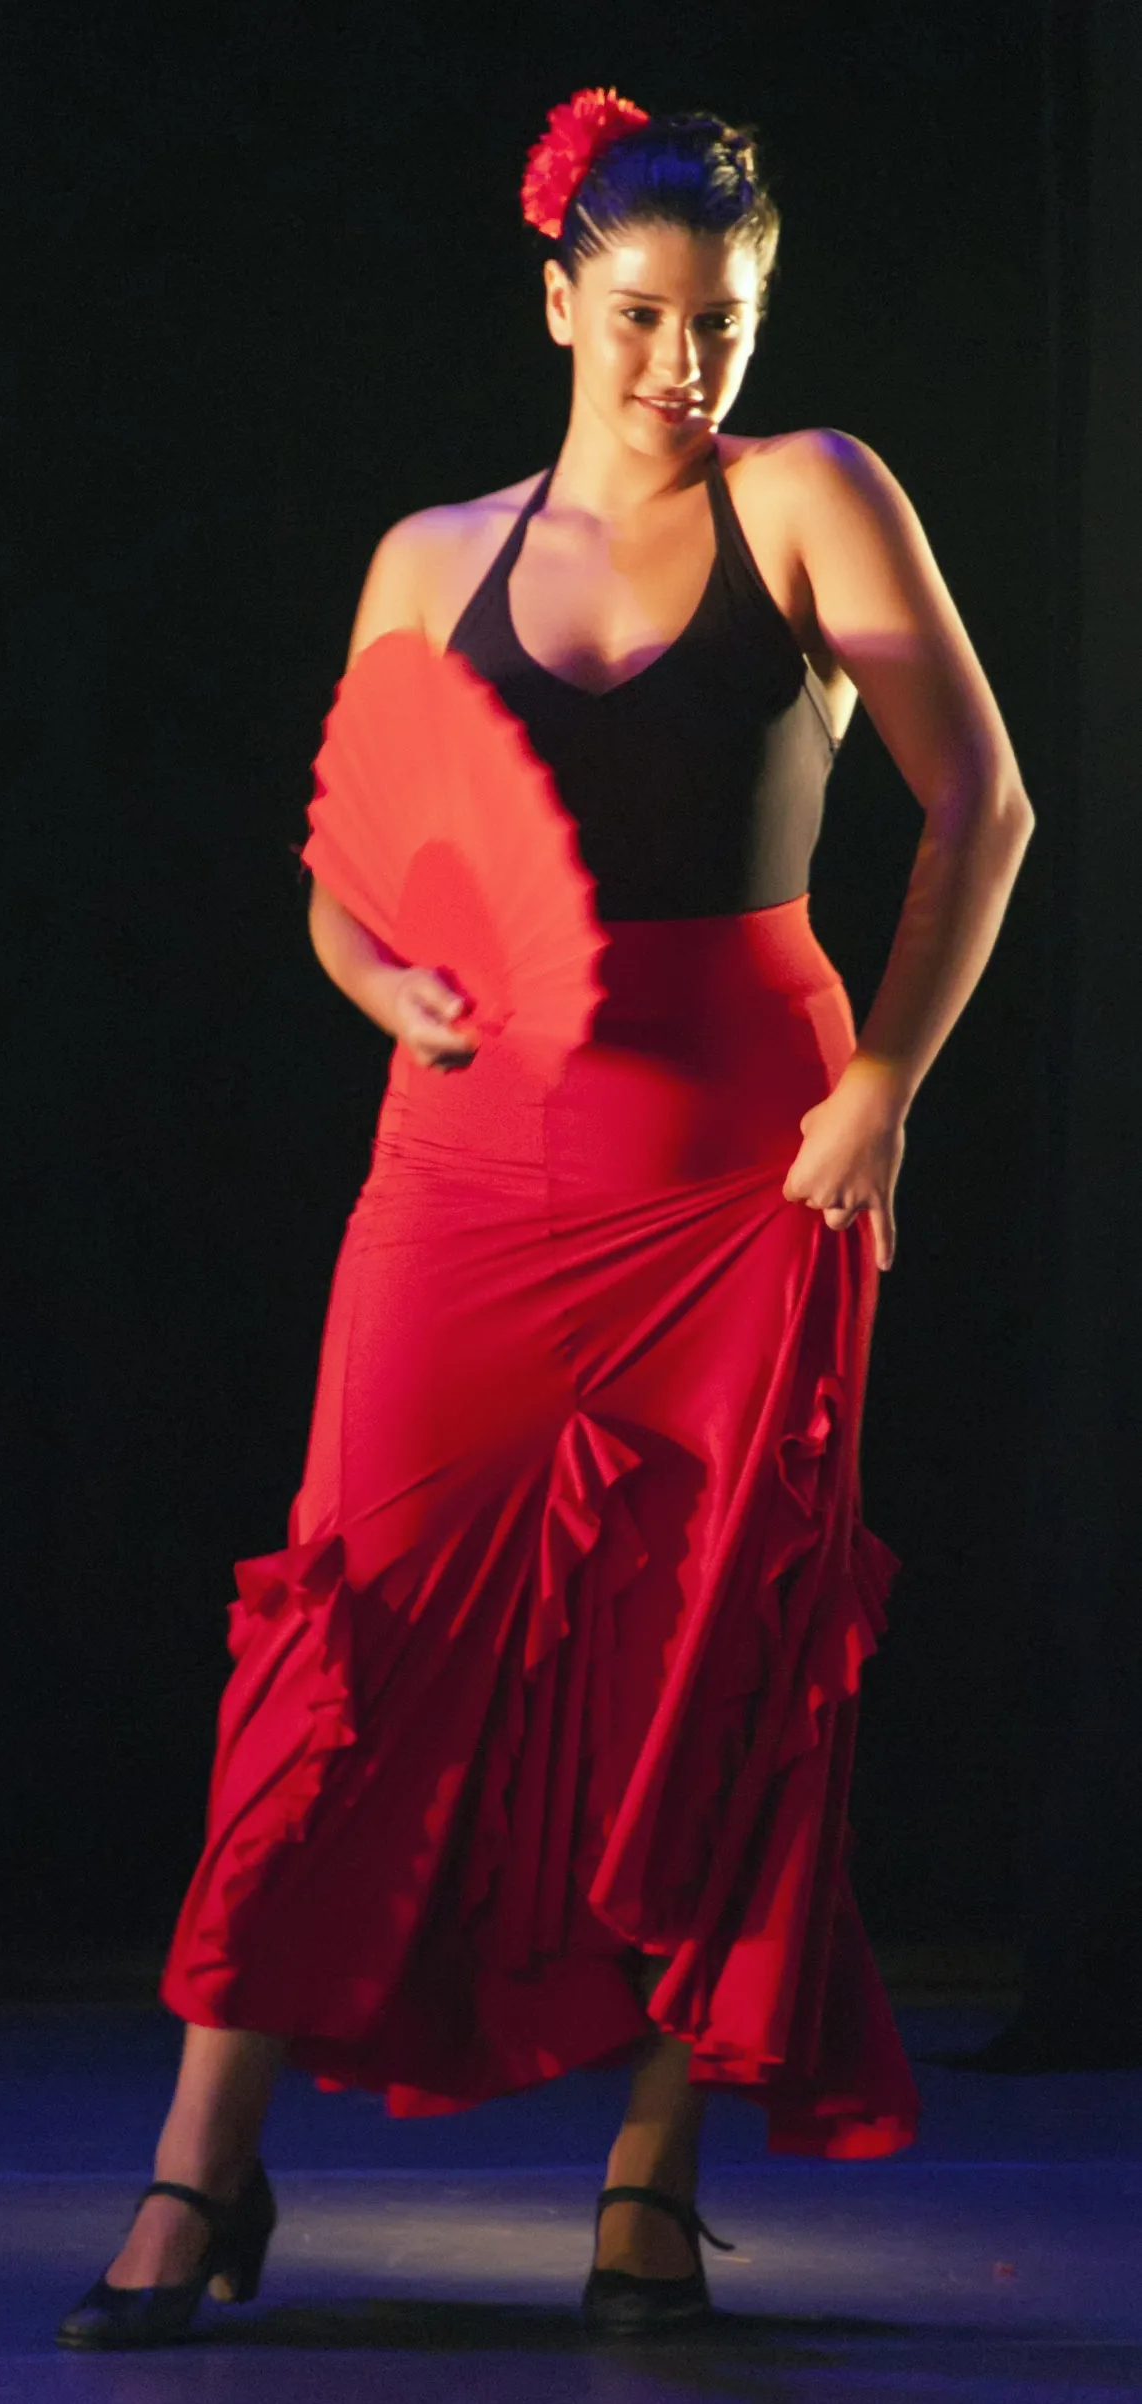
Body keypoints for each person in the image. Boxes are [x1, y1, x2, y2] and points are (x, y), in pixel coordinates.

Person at [58, 88, 1034, 2349]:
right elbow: (343, 868)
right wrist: (372, 967)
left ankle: (647, 2178)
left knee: (720, 1640)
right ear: (551, 302)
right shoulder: (429, 556)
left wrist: (882, 1083)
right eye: (634, 318)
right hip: (471, 1169)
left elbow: (977, 802)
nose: (677, 366)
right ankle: (203, 2166)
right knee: (349, 1618)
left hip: (744, 1157)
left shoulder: (812, 497)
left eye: (717, 322)